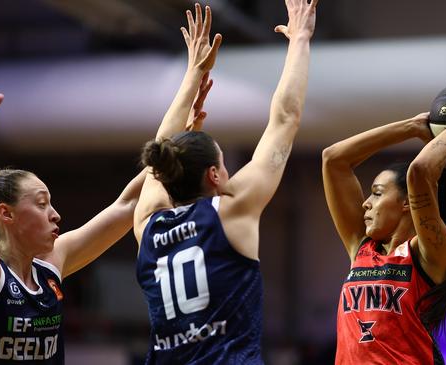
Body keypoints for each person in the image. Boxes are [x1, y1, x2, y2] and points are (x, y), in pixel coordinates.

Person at [0, 7, 220, 362]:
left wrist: (192, 77)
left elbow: (131, 201)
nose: (55, 214)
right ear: (5, 213)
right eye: (40, 203)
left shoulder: (51, 265)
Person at [133, 0, 319, 363]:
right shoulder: (230, 212)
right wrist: (301, 39)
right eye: (225, 164)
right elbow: (285, 118)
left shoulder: (147, 225)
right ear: (214, 175)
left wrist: (191, 78)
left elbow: (161, 150)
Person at [322, 94, 446, 364]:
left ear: (407, 202)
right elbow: (333, 159)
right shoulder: (361, 247)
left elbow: (420, 172)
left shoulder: (432, 252)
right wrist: (412, 127)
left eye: (376, 193)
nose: (365, 204)